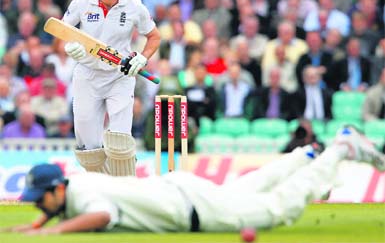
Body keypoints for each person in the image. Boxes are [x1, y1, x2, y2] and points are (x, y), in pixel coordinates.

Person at [6, 126, 385, 234]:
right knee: (245, 189)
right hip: (181, 186)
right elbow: (66, 202)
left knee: (277, 206)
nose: (40, 204)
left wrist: (54, 233)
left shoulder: (84, 198)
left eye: (41, 199)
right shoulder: (75, 182)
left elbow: (101, 215)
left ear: (57, 189)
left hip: (195, 210)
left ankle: (341, 150)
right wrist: (40, 222)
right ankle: (304, 155)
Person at [61, 0, 161, 176]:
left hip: (119, 75)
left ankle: (126, 189)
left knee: (119, 140)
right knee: (88, 145)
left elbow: (154, 36)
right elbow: (62, 31)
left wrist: (142, 58)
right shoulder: (81, 2)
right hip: (87, 75)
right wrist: (71, 47)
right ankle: (99, 191)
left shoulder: (134, 6)